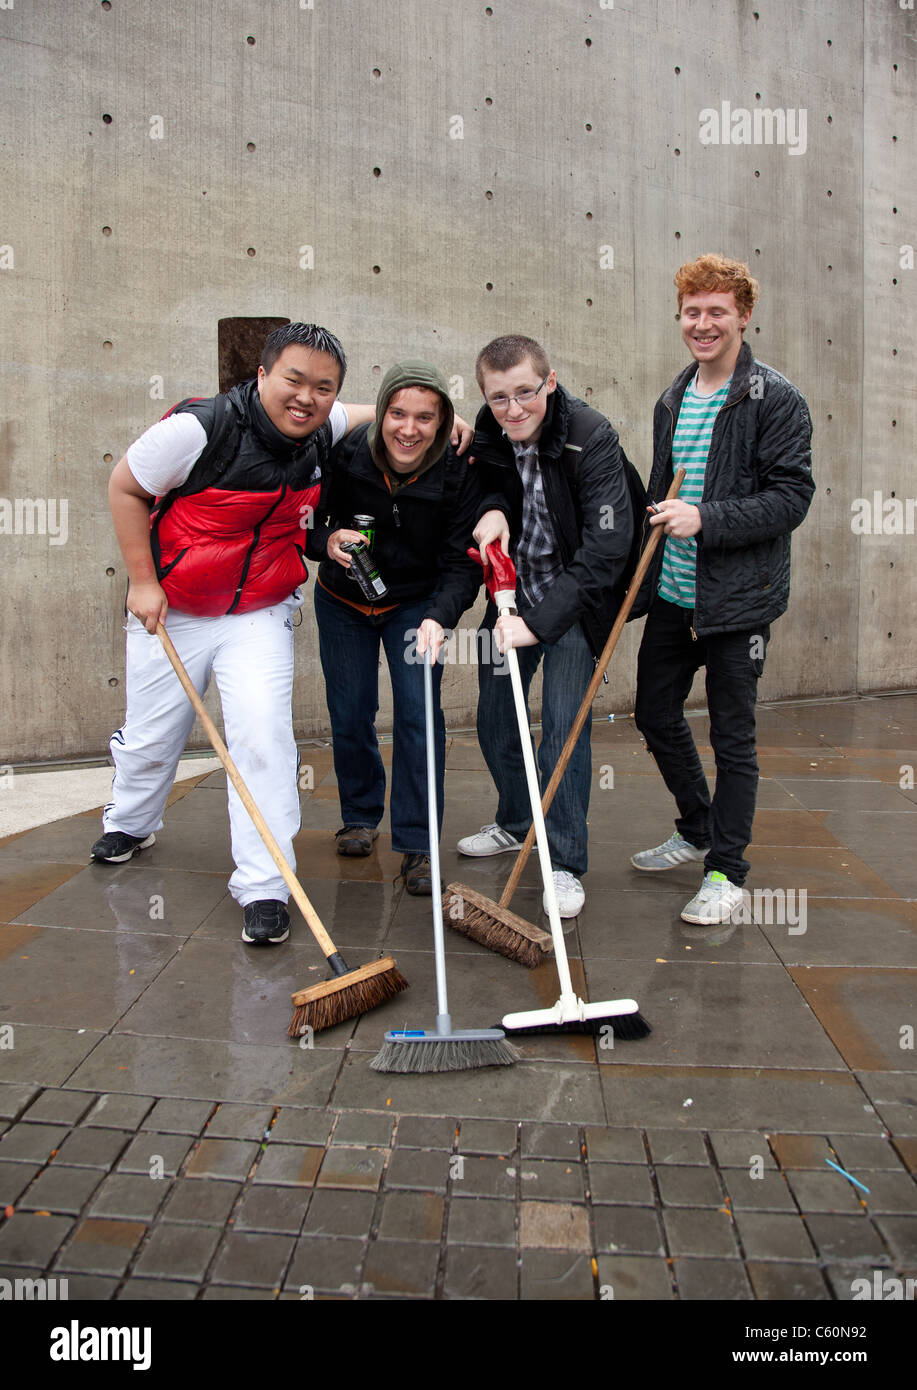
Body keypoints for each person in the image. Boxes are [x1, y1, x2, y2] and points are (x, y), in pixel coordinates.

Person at [93, 324, 378, 945]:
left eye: (323, 388)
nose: (307, 397)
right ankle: (132, 821)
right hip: (176, 606)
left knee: (261, 738)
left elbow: (371, 411)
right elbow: (125, 487)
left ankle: (266, 885)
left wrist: (443, 417)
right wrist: (143, 582)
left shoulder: (322, 427)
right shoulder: (200, 429)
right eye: (294, 380)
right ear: (262, 376)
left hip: (259, 611)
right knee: (150, 736)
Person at [630, 254, 815, 923]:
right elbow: (662, 490)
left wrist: (706, 518)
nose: (701, 324)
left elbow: (791, 497)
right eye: (691, 312)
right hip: (674, 598)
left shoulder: (774, 397)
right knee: (653, 714)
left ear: (742, 315)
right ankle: (695, 825)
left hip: (737, 604)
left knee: (732, 738)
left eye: (716, 312)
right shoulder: (672, 398)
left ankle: (725, 870)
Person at [457, 334, 633, 918]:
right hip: (510, 590)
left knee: (564, 728)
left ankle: (562, 861)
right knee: (494, 715)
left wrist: (540, 625)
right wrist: (490, 510)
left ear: (549, 383)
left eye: (525, 393)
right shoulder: (490, 426)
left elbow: (608, 547)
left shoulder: (591, 435)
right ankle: (515, 821)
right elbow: (485, 483)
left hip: (575, 603)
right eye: (498, 397)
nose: (513, 410)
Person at [311, 361, 482, 895]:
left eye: (425, 418)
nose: (409, 429)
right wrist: (327, 542)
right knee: (351, 709)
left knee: (419, 717)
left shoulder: (458, 468)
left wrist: (440, 615)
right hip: (343, 601)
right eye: (398, 413)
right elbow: (305, 522)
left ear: (443, 421)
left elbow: (464, 562)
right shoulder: (346, 452)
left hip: (416, 606)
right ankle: (360, 816)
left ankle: (419, 844)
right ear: (381, 411)